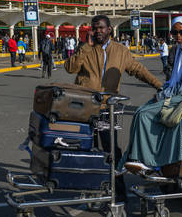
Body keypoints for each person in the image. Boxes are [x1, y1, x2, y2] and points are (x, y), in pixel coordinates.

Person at [65, 15, 162, 203]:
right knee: (87, 149)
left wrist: (159, 85)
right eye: (95, 28)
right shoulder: (85, 49)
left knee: (112, 150)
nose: (98, 31)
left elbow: (137, 69)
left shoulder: (120, 51)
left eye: (101, 28)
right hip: (85, 107)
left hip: (108, 108)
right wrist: (85, 46)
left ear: (109, 29)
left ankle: (119, 192)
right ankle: (91, 189)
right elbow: (70, 68)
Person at [121, 16, 182, 173]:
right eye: (174, 32)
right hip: (178, 95)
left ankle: (145, 159)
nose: (178, 36)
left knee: (145, 115)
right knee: (139, 111)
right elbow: (173, 81)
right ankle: (131, 158)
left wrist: (162, 96)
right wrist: (163, 91)